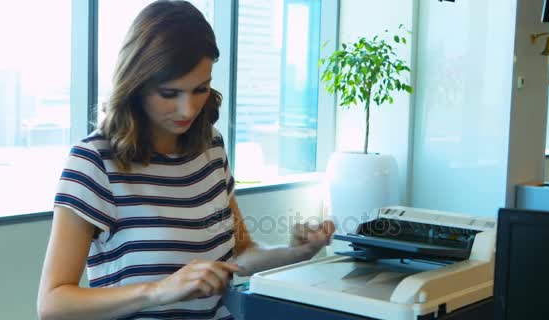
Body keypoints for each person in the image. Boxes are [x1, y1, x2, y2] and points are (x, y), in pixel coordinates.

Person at [36, 1, 335, 319]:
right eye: (169, 93)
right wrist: (158, 290)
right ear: (136, 84)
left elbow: (241, 255)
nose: (188, 109)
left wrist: (297, 252)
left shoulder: (211, 146)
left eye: (200, 89)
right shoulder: (94, 162)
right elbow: (53, 306)